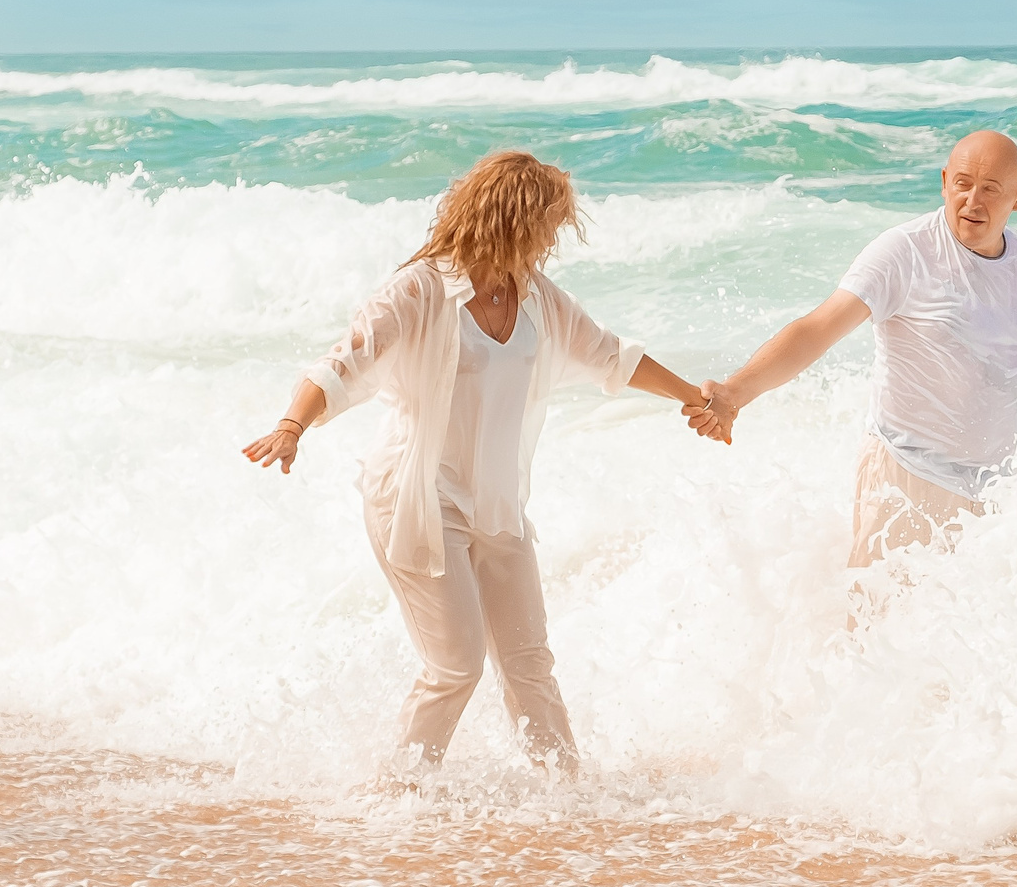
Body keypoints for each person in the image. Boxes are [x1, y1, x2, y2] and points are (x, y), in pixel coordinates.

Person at [243, 151, 720, 773]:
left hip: (497, 503)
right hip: (416, 497)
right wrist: (291, 425)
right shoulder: (421, 289)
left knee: (529, 663)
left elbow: (611, 356)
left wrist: (698, 400)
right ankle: (399, 794)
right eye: (549, 222)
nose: (554, 237)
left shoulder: (538, 296)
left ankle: (566, 797)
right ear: (515, 219)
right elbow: (344, 361)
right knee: (456, 665)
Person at [697, 129, 1017, 564]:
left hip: (989, 496)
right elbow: (818, 328)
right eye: (962, 184)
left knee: (967, 631)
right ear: (944, 181)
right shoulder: (905, 252)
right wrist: (735, 391)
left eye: (990, 189)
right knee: (873, 626)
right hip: (903, 478)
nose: (972, 200)